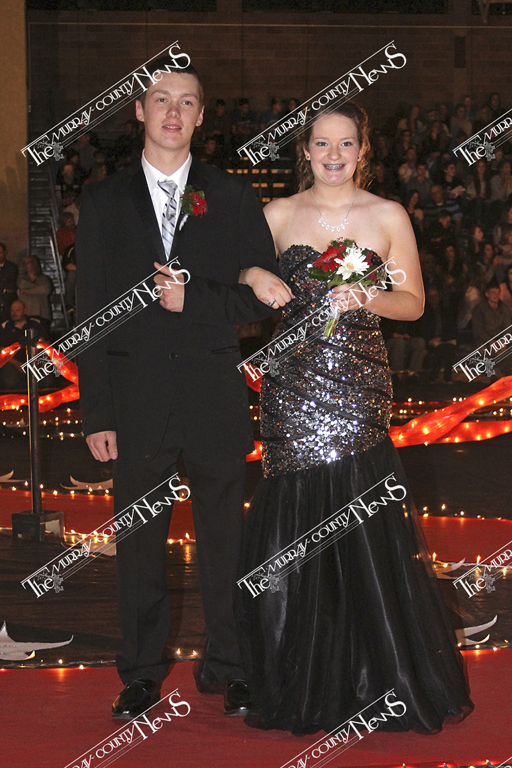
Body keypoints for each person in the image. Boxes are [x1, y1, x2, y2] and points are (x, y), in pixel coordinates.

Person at [236, 102, 473, 735]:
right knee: (292, 527)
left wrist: (368, 294)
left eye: (346, 144)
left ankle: (375, 680)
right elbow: (232, 271)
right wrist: (254, 272)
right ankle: (298, 678)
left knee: (364, 528)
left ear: (363, 150)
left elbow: (414, 302)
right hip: (290, 392)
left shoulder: (387, 215)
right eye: (322, 144)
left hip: (358, 389)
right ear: (305, 151)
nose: (334, 155)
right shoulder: (277, 214)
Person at [75, 58, 291, 720]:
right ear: (139, 111)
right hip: (134, 398)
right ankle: (140, 672)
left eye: (186, 101)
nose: (173, 111)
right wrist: (96, 411)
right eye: (161, 99)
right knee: (140, 546)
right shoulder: (103, 201)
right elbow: (90, 313)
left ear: (201, 116)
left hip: (213, 394)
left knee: (227, 541)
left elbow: (260, 300)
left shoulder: (231, 195)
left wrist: (192, 299)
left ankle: (230, 665)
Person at [0, 299, 46, 391]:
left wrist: (43, 362)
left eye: (17, 310)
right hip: (13, 362)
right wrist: (17, 363)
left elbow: (46, 345)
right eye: (12, 310)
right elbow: (2, 349)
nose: (14, 313)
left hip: (35, 361)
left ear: (25, 311)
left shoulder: (35, 324)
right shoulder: (6, 326)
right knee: (10, 380)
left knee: (46, 379)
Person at [17, 255, 53, 331]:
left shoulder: (44, 279)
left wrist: (27, 291)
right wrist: (37, 289)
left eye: (28, 262)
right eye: (25, 263)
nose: (26, 265)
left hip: (42, 314)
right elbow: (22, 284)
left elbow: (45, 289)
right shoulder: (21, 278)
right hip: (27, 314)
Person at [0, 242, 18, 323]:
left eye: (0, 252)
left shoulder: (11, 267)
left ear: (5, 253)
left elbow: (12, 286)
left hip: (7, 305)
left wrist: (4, 289)